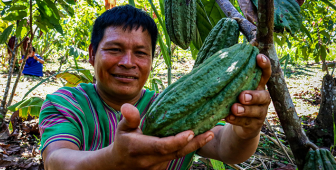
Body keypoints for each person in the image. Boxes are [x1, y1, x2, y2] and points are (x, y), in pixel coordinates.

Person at [39, 5, 272, 170]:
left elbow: (225, 146)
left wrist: (247, 130)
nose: (127, 63)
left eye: (140, 53)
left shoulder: (177, 107)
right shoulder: (67, 103)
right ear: (92, 54)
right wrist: (113, 160)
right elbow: (57, 161)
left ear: (151, 59)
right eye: (114, 50)